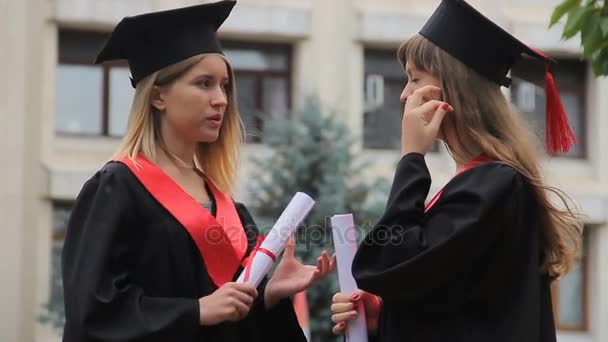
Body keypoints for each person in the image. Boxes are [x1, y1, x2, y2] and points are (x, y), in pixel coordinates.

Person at [61, 1, 335, 341]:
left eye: (224, 86)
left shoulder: (230, 209)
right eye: (204, 83)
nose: (220, 99)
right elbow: (92, 311)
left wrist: (269, 296)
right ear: (158, 96)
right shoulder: (117, 189)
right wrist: (196, 311)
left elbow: (236, 324)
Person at [329, 0, 582, 341]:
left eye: (414, 78)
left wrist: (412, 158)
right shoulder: (486, 184)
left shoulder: (494, 185)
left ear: (451, 90)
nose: (404, 95)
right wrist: (382, 317)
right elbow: (445, 305)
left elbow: (385, 264)